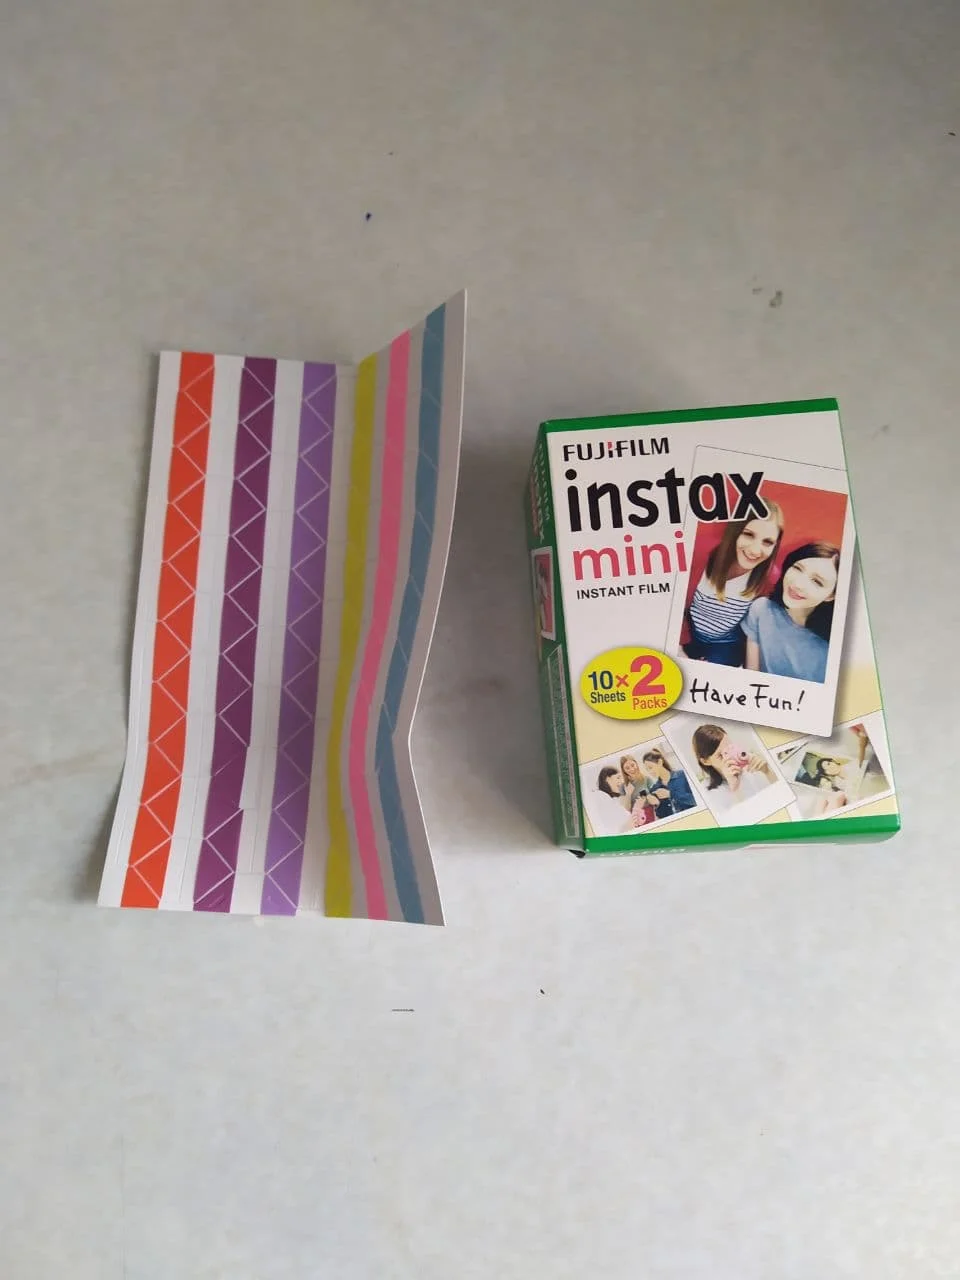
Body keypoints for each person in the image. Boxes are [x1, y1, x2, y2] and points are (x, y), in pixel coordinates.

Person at [683, 503, 784, 667]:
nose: (755, 550)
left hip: (725, 645)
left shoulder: (770, 577)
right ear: (735, 531)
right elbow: (674, 603)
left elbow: (761, 629)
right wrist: (680, 645)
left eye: (767, 542)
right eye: (748, 534)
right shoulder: (700, 553)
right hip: (689, 633)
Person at [742, 541, 840, 683]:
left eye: (817, 582)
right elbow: (751, 676)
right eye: (798, 568)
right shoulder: (761, 609)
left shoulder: (833, 647)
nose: (798, 584)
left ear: (831, 595)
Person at [691, 723, 775, 814]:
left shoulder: (748, 765)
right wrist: (735, 789)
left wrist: (767, 771)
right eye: (721, 755)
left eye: (730, 748)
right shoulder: (707, 792)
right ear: (705, 761)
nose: (730, 757)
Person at [640, 748, 698, 817]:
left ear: (660, 762)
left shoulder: (682, 775)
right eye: (647, 770)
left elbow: (696, 800)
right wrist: (657, 804)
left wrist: (671, 794)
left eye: (650, 767)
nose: (650, 772)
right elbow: (663, 816)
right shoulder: (655, 789)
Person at [620, 755, 658, 826]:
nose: (632, 769)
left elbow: (656, 801)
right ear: (624, 771)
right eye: (627, 768)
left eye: (632, 765)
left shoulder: (647, 780)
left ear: (636, 764)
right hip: (635, 818)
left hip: (650, 814)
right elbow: (627, 809)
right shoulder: (623, 786)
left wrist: (647, 798)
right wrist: (628, 794)